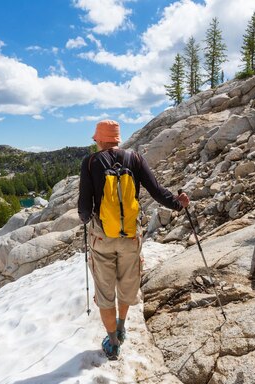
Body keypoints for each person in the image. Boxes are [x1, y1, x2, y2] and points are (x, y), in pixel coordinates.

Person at [78, 119, 189, 360]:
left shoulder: (90, 163)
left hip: (102, 237)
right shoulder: (135, 158)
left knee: (106, 292)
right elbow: (157, 191)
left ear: (98, 139)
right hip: (130, 236)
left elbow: (84, 208)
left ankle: (113, 343)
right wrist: (178, 204)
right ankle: (121, 327)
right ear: (118, 138)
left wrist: (85, 218)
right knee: (127, 285)